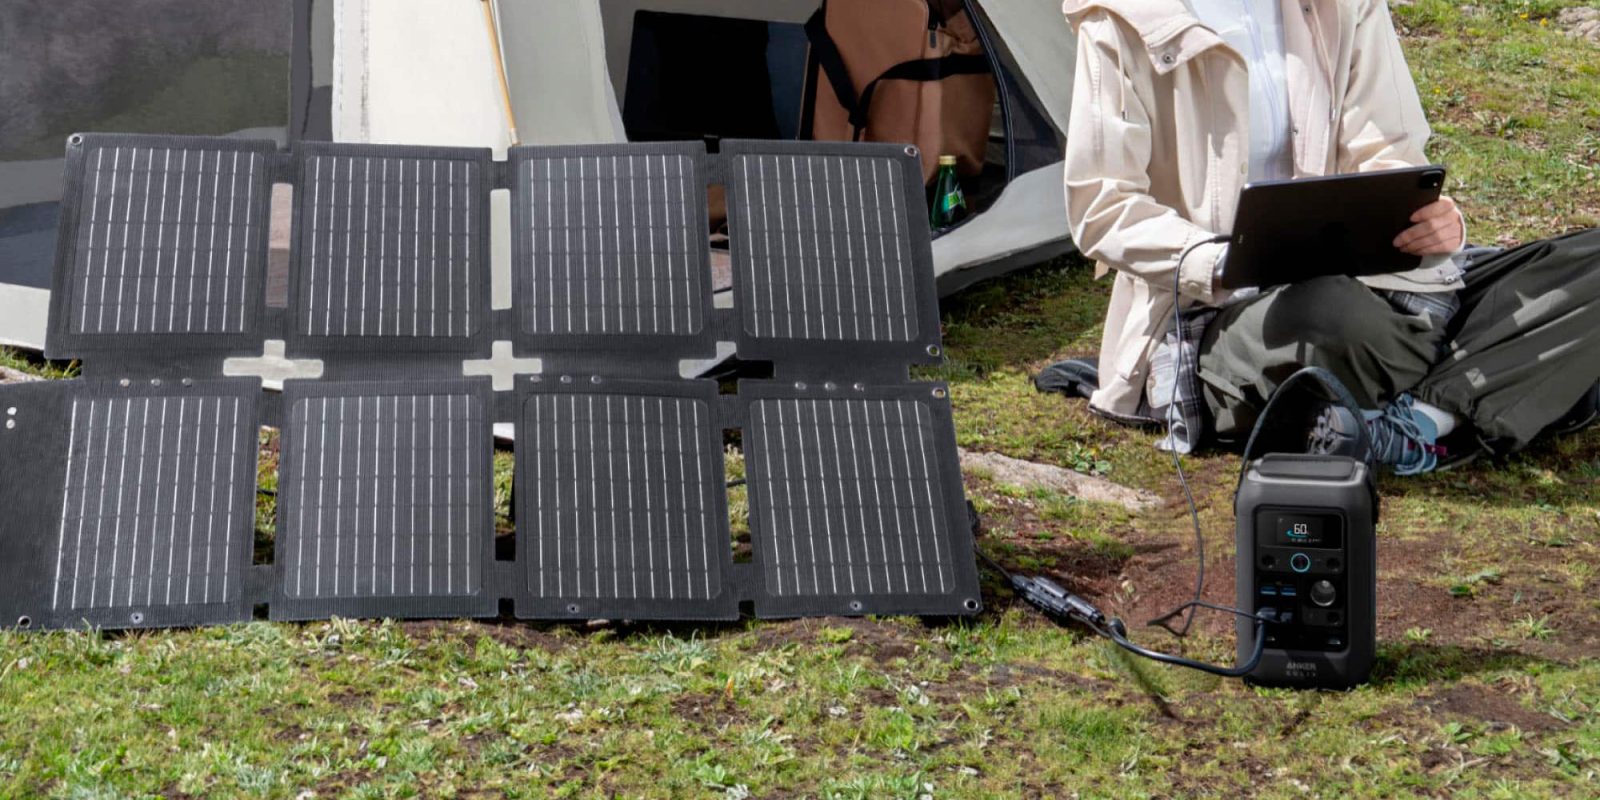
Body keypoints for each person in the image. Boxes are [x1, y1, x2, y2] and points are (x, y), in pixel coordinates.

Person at [1058, 0, 1600, 474]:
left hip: (1376, 278)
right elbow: (1102, 207)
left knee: (1591, 263)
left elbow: (1386, 151)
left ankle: (1422, 419)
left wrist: (1432, 220)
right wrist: (1224, 260)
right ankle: (1503, 372)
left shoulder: (1344, 4)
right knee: (1331, 310)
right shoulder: (1119, 18)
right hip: (1222, 308)